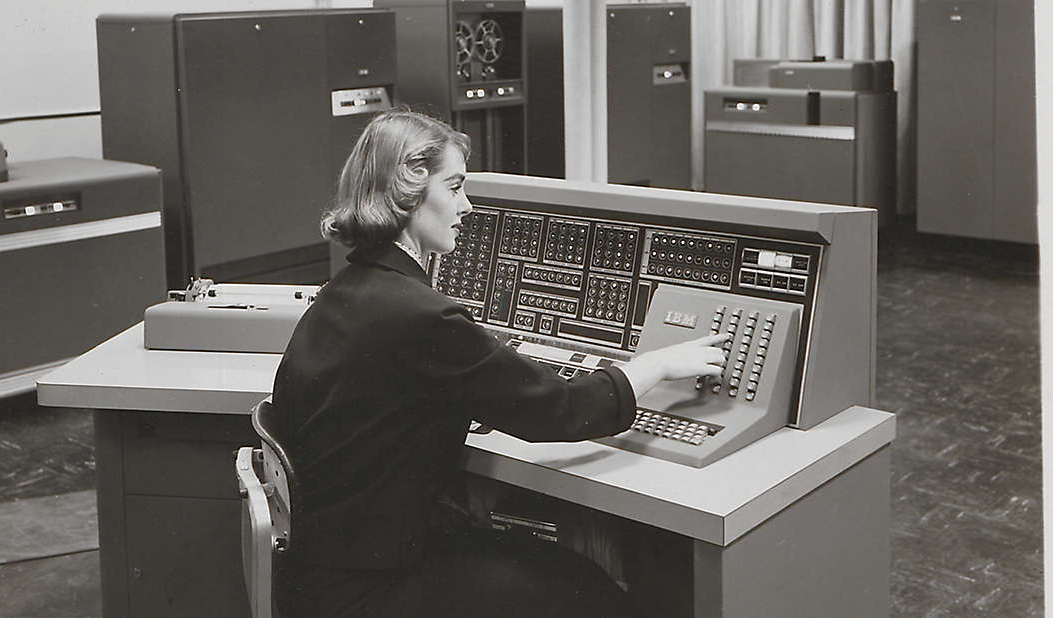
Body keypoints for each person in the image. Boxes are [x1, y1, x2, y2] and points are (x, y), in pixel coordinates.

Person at [271, 109, 729, 618]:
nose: (466, 206)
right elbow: (560, 408)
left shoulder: (340, 295)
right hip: (377, 590)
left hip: (326, 576)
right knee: (589, 589)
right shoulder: (423, 315)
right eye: (455, 187)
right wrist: (656, 366)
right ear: (408, 192)